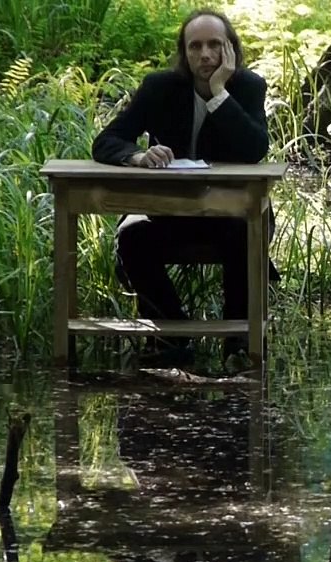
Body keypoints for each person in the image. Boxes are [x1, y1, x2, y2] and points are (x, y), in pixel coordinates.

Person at [92, 8, 277, 367]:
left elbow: (255, 149)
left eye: (214, 45)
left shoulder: (248, 86)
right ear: (184, 52)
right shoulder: (159, 87)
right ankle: (170, 336)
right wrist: (138, 156)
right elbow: (108, 140)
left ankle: (238, 344)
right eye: (195, 46)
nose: (205, 55)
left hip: (228, 214)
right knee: (131, 237)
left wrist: (219, 93)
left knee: (245, 233)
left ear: (231, 50)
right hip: (169, 214)